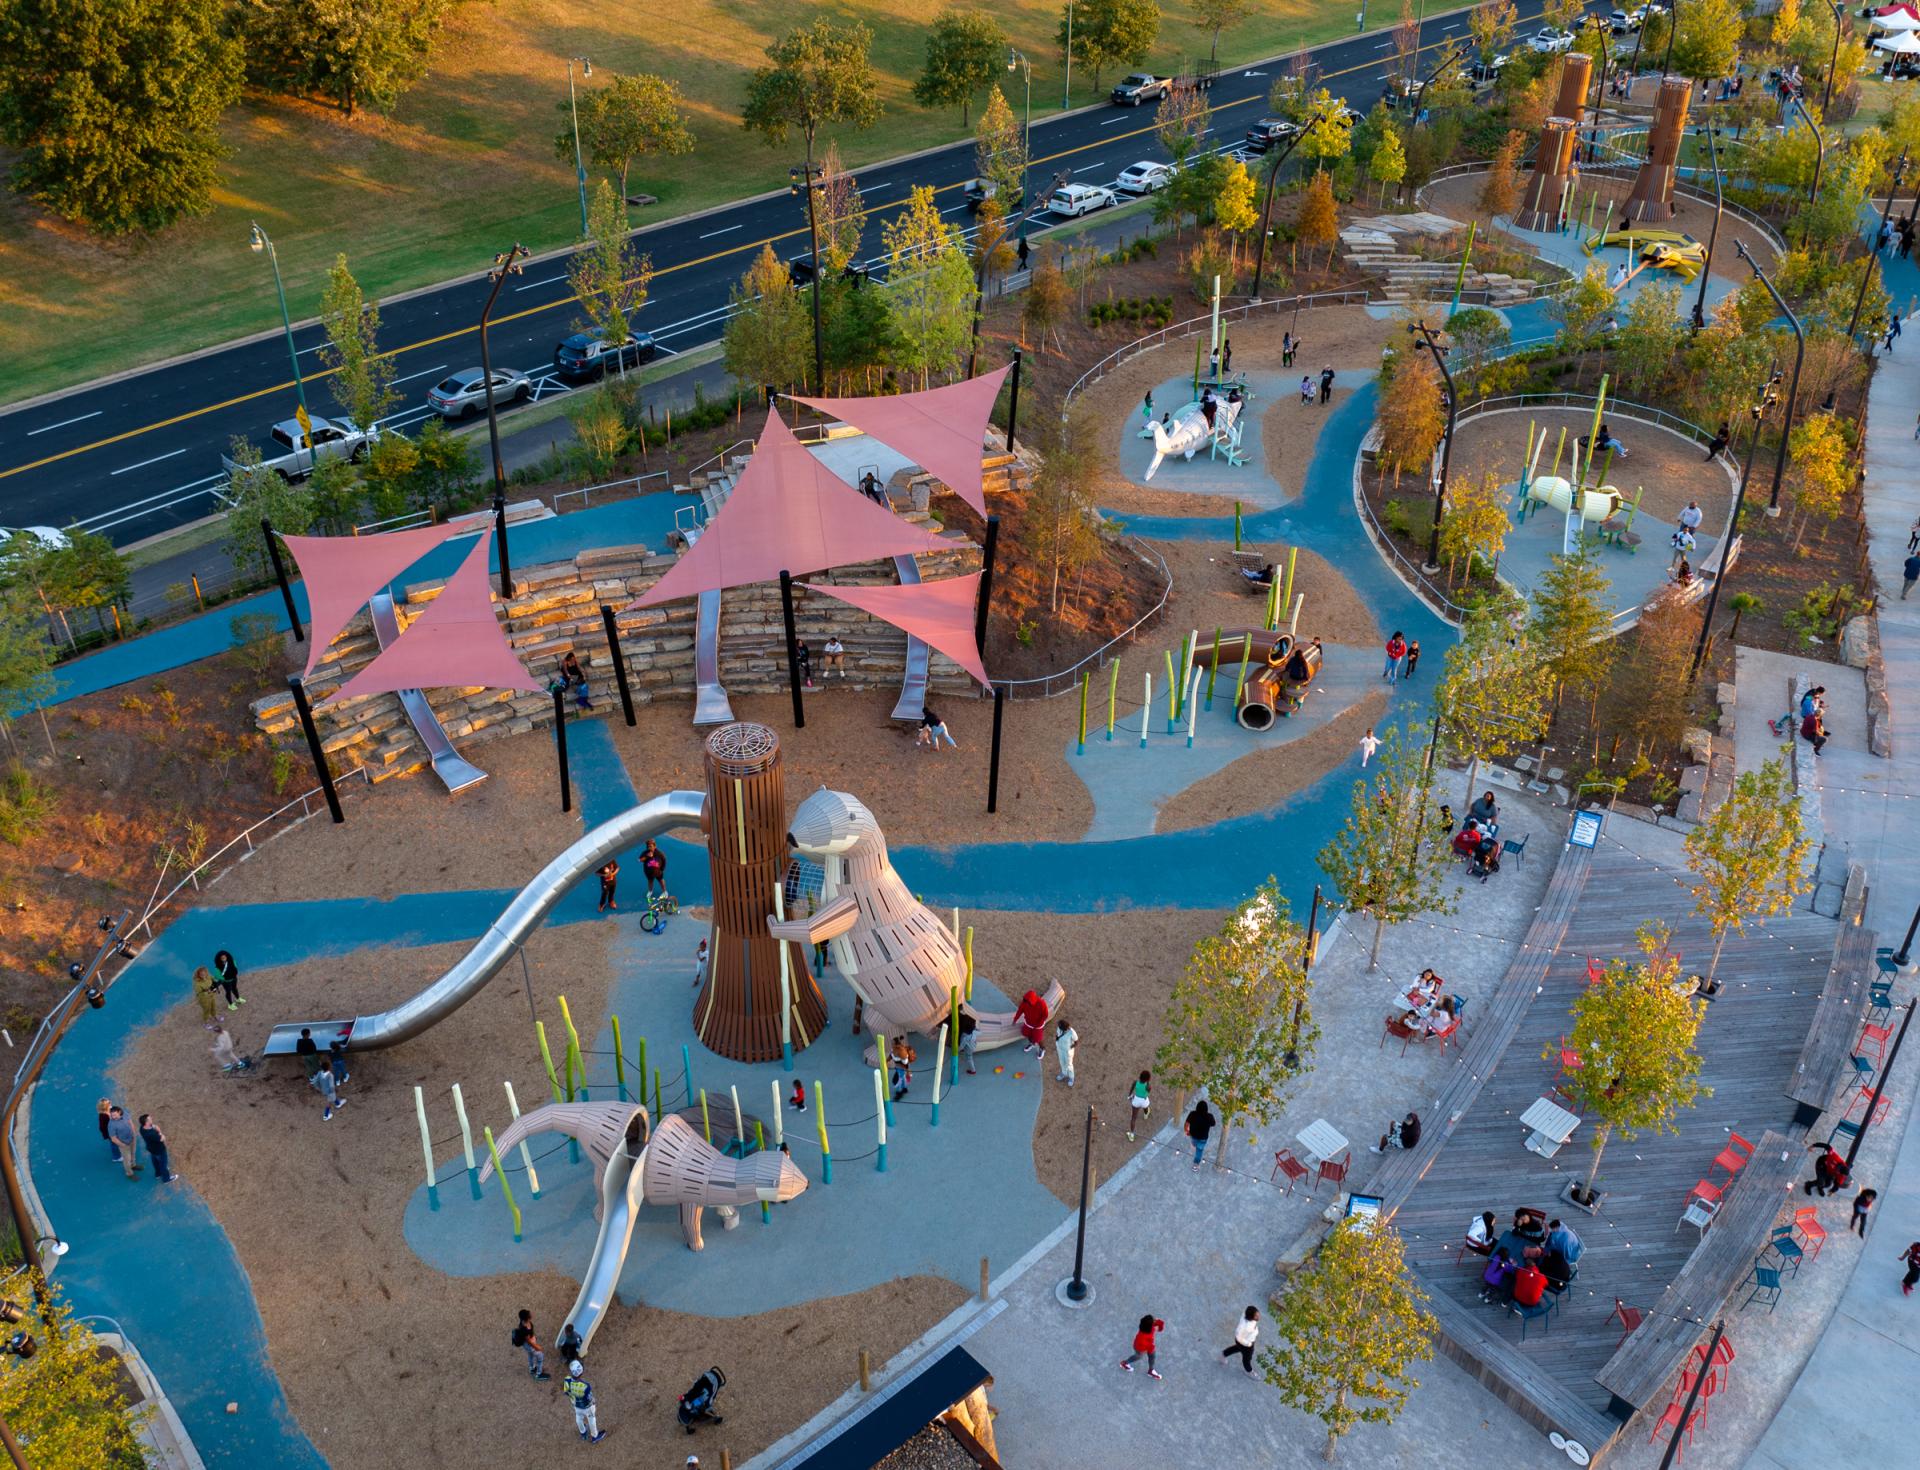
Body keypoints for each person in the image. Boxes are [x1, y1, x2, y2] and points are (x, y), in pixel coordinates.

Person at [562, 1360, 607, 1444]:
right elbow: (589, 1398)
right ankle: (595, 1436)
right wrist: (593, 1402)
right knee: (591, 1420)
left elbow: (565, 1392)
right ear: (581, 1372)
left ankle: (583, 1433)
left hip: (576, 1405)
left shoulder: (567, 1380)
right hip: (587, 1407)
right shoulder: (586, 1386)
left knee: (578, 1418)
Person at [1120, 1314, 1166, 1378]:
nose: (1155, 1320)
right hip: (1140, 1347)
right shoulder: (1144, 1336)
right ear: (1149, 1325)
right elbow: (1148, 1345)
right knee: (1139, 1356)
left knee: (1149, 1355)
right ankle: (1125, 1363)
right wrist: (1151, 1348)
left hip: (1144, 1345)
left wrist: (1160, 1324)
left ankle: (1151, 1370)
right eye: (1153, 1320)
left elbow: (1159, 1324)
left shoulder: (1147, 1327)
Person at [512, 1310, 552, 1380]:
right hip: (530, 1346)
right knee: (540, 1357)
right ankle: (539, 1375)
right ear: (527, 1318)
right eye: (529, 1314)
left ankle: (532, 1368)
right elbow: (529, 1341)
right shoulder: (525, 1329)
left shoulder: (523, 1322)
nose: (531, 1314)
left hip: (528, 1345)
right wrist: (537, 1347)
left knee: (530, 1355)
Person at [137, 1113, 176, 1184]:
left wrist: (153, 1126)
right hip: (159, 1150)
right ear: (146, 1122)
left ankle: (158, 1174)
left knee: (155, 1161)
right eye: (150, 1119)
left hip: (151, 1149)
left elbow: (151, 1126)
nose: (152, 1119)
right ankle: (166, 1179)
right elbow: (162, 1138)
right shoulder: (152, 1134)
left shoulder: (142, 1128)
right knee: (163, 1164)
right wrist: (159, 1131)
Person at [1221, 1306, 1259, 1373]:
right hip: (1246, 1343)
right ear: (1250, 1317)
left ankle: (1223, 1354)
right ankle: (1249, 1371)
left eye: (1258, 1313)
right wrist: (1249, 1344)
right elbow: (1238, 1337)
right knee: (1247, 1358)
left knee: (1237, 1348)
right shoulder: (1244, 1326)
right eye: (1256, 1315)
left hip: (1246, 1341)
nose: (1258, 1316)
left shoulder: (1249, 1317)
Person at [107, 1106, 139, 1178]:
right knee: (127, 1160)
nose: (113, 1117)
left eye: (114, 1115)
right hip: (124, 1144)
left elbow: (130, 1122)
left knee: (133, 1153)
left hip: (132, 1139)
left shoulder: (125, 1114)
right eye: (111, 1115)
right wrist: (122, 1145)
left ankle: (133, 1165)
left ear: (119, 1112)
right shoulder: (111, 1125)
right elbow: (113, 1138)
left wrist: (134, 1134)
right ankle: (129, 1173)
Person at [1015, 989, 1050, 1054]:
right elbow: (1020, 1010)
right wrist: (1015, 1019)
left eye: (1028, 1002)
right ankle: (1032, 1043)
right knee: (1026, 1033)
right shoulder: (1025, 1002)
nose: (1026, 1003)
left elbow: (1045, 1015)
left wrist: (1038, 1025)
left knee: (1038, 1039)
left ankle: (1042, 1049)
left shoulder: (1042, 1003)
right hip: (1028, 1023)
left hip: (1037, 1026)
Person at [1184, 1099, 1215, 1169]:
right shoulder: (1209, 1116)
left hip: (1193, 1135)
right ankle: (1196, 1164)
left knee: (1194, 1143)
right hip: (1203, 1138)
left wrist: (1187, 1131)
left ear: (1197, 1107)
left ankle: (1194, 1146)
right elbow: (1213, 1124)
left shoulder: (1192, 1114)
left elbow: (1186, 1124)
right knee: (1199, 1151)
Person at [1127, 1069, 1151, 1141]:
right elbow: (1147, 1094)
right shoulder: (1148, 1086)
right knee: (1146, 1107)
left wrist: (1130, 1095)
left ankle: (1131, 1135)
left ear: (1140, 1076)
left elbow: (1132, 1089)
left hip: (1136, 1101)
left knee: (1133, 1118)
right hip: (1144, 1101)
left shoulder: (1135, 1082)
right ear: (1148, 1079)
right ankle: (1146, 1114)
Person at [889, 1035, 915, 1101]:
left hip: (901, 1068)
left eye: (892, 1042)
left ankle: (899, 1093)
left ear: (896, 1044)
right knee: (902, 1078)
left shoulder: (901, 1051)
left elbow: (905, 1062)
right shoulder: (895, 1049)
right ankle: (904, 1088)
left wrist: (907, 1070)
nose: (891, 1043)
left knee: (897, 1080)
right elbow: (892, 1056)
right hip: (899, 1068)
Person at [1054, 1021, 1078, 1087]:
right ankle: (1064, 1073)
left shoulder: (1072, 1032)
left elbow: (1076, 1042)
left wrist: (1070, 1048)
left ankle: (1071, 1078)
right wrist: (1057, 1041)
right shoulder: (1059, 1028)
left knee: (1069, 1065)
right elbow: (1057, 1034)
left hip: (1067, 1052)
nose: (1058, 1027)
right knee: (1062, 1062)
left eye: (1059, 1026)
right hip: (1060, 1049)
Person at [97, 1097, 118, 1161]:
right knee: (114, 1144)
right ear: (105, 1106)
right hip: (110, 1133)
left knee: (116, 1142)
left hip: (115, 1131)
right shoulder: (103, 1116)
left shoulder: (110, 1110)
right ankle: (116, 1157)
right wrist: (108, 1135)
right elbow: (101, 1127)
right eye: (109, 1103)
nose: (110, 1103)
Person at [958, 1010, 979, 1075]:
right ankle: (973, 1070)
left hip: (969, 1049)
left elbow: (962, 1045)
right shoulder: (974, 1032)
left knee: (969, 1058)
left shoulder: (966, 1037)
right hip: (973, 1046)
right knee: (968, 1052)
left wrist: (957, 1050)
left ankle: (973, 1070)